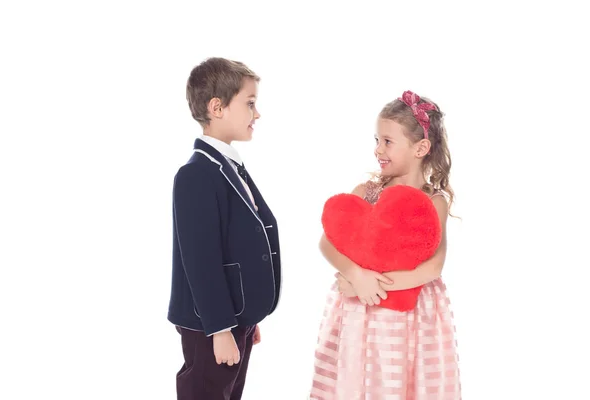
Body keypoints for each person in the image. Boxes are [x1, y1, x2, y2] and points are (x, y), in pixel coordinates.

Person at [310, 91, 461, 399]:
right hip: (359, 312)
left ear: (421, 148)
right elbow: (327, 244)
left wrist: (372, 288)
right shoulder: (366, 193)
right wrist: (356, 276)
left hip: (411, 313)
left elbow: (433, 267)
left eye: (388, 141)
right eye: (376, 140)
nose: (378, 149)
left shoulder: (434, 202)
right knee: (358, 379)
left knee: (403, 381)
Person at [168, 57, 282, 400]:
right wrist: (219, 328)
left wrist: (249, 316)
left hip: (234, 317)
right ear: (217, 107)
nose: (257, 113)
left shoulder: (228, 166)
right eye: (249, 103)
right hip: (210, 322)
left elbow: (239, 246)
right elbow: (201, 260)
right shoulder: (196, 174)